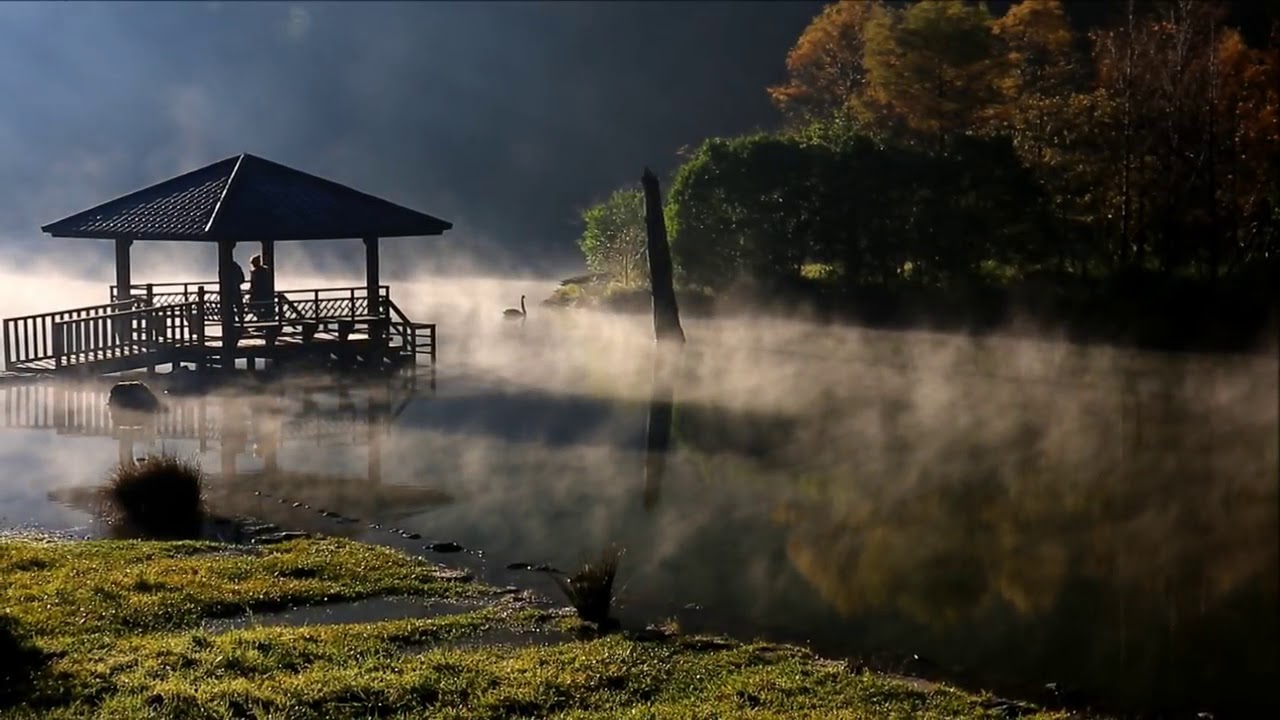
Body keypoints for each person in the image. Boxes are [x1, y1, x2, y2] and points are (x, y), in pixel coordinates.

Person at [247, 254, 275, 321]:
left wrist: (250, 291)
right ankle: (265, 321)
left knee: (255, 307)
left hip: (258, 295)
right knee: (262, 309)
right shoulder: (265, 271)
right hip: (266, 294)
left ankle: (261, 321)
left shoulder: (255, 273)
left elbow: (254, 284)